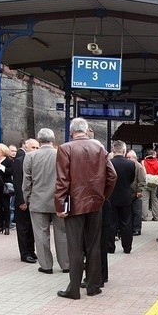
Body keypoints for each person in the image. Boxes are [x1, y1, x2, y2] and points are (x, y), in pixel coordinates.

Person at [54, 117, 116, 300]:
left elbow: (62, 181)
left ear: (71, 131)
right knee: (93, 245)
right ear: (87, 130)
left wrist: (60, 204)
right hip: (95, 203)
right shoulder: (99, 148)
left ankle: (73, 289)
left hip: (74, 204)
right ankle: (93, 286)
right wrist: (103, 196)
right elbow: (112, 176)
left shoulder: (66, 149)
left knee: (75, 247)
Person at [23, 128, 68, 274]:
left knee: (41, 234)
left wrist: (27, 198)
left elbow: (27, 181)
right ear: (53, 140)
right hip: (58, 201)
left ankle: (46, 265)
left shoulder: (30, 156)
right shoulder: (60, 154)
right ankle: (66, 264)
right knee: (62, 233)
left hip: (38, 200)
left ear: (39, 139)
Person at [13, 138, 39, 263]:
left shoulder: (38, 161)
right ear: (26, 147)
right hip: (23, 200)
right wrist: (21, 201)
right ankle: (24, 253)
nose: (35, 150)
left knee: (32, 227)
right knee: (23, 228)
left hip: (34, 200)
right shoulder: (19, 161)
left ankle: (31, 250)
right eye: (33, 147)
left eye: (37, 148)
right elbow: (17, 182)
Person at [109, 141, 136, 254]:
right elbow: (131, 179)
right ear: (124, 151)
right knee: (126, 222)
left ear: (113, 150)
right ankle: (127, 247)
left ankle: (110, 247)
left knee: (111, 223)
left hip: (111, 196)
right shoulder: (131, 164)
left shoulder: (108, 163)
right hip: (125, 196)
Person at [127, 149, 145, 235]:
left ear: (134, 158)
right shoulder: (130, 166)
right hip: (129, 192)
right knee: (130, 211)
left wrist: (139, 191)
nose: (127, 159)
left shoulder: (139, 167)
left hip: (136, 192)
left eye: (129, 158)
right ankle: (131, 228)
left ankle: (137, 229)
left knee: (137, 211)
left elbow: (141, 180)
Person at [142, 149, 158, 221]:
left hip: (146, 183)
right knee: (155, 200)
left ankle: (144, 217)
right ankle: (156, 217)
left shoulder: (143, 162)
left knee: (145, 200)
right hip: (155, 183)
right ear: (154, 155)